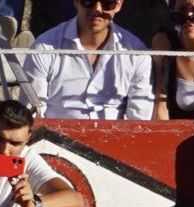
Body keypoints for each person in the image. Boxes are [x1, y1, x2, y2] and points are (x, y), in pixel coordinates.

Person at [21, 0, 153, 120]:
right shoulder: (44, 46)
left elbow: (139, 117)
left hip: (114, 140)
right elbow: (33, 113)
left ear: (118, 5)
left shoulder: (136, 52)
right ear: (76, 2)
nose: (97, 10)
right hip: (55, 141)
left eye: (108, 4)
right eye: (88, 2)